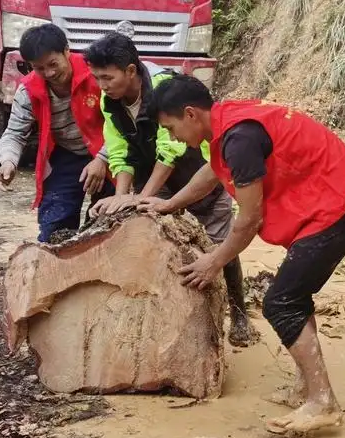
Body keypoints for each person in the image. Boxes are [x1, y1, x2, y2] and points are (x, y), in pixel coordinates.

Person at [142, 75, 345, 436]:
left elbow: (250, 220)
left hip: (340, 205)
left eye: (172, 128)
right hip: (332, 198)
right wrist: (171, 204)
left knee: (281, 303)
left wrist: (214, 261)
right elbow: (214, 172)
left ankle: (323, 401)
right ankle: (307, 386)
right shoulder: (227, 124)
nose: (173, 138)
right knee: (294, 295)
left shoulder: (239, 138)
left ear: (190, 114)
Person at [81, 33, 256, 347]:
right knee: (159, 244)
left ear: (131, 71)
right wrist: (124, 195)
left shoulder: (163, 88)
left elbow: (170, 151)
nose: (102, 85)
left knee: (221, 246)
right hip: (156, 181)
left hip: (197, 171)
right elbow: (119, 150)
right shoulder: (111, 101)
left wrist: (140, 195)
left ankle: (239, 312)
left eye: (108, 77)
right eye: (97, 78)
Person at [0, 24, 109, 242]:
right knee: (54, 227)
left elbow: (123, 125)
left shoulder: (98, 75)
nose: (49, 73)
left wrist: (103, 158)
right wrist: (8, 162)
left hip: (111, 152)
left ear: (67, 51)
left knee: (108, 221)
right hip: (66, 154)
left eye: (53, 64)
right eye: (39, 68)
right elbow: (15, 134)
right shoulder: (28, 91)